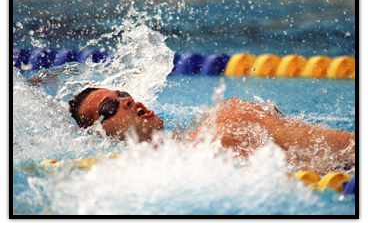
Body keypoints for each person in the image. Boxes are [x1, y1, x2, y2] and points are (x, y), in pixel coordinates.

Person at [69, 87, 355, 173]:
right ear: (99, 135)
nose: (127, 100)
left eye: (122, 93)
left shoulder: (228, 121)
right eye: (109, 107)